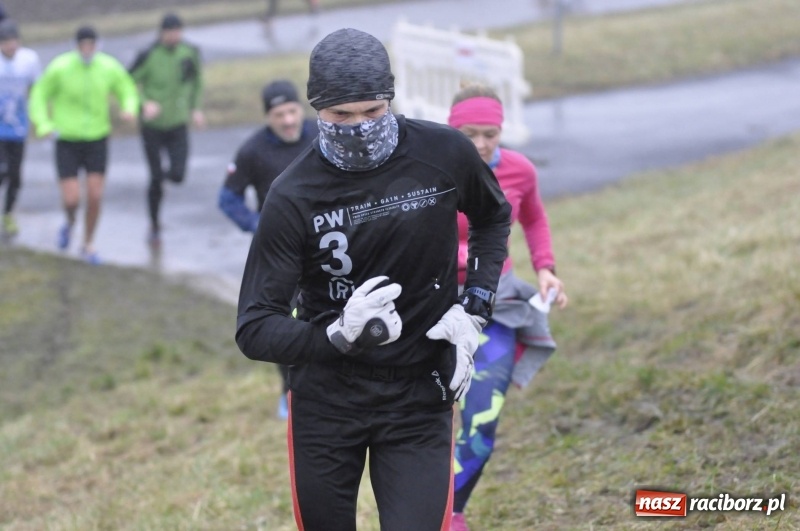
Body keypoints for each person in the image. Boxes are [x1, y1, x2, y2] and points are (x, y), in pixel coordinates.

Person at [236, 28, 511, 531]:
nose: (358, 127)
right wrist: (335, 335)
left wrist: (474, 311)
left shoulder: (444, 153)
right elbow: (254, 326)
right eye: (341, 116)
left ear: (391, 99)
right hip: (327, 403)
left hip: (419, 395)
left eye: (372, 112)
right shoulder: (292, 194)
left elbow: (494, 218)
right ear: (316, 109)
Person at [446, 84, 568, 531]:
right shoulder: (428, 170)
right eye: (469, 133)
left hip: (495, 307)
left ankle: (452, 513)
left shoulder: (519, 171)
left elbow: (534, 218)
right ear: (450, 128)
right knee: (426, 424)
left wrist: (546, 267)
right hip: (433, 310)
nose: (480, 144)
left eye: (490, 134)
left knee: (481, 421)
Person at [218, 79, 318, 419]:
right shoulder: (252, 151)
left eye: (292, 111)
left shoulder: (323, 133)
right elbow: (227, 198)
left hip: (327, 243)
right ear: (267, 117)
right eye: (279, 115)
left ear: (301, 109)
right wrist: (258, 226)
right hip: (281, 253)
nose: (288, 121)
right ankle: (287, 389)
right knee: (282, 321)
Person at [28, 25, 138, 264]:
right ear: (76, 46)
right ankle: (69, 223)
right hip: (66, 140)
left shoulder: (107, 66)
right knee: (71, 199)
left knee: (95, 196)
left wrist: (129, 108)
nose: (87, 49)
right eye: (83, 45)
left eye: (91, 44)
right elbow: (39, 95)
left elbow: (126, 88)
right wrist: (43, 123)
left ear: (97, 45)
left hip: (97, 139)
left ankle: (88, 243)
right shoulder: (61, 67)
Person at [129, 12, 205, 247]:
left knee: (178, 174)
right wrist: (143, 103)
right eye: (170, 32)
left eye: (177, 32)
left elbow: (197, 81)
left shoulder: (189, 52)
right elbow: (127, 82)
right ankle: (154, 225)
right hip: (152, 126)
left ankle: (163, 178)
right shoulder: (148, 54)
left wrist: (196, 108)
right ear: (161, 33)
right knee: (154, 178)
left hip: (178, 123)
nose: (174, 36)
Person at [0, 19, 40, 237]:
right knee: (2, 170)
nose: (10, 45)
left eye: (13, 40)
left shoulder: (29, 60)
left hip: (17, 127)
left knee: (15, 176)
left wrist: (38, 118)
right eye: (5, 42)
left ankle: (7, 214)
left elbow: (38, 89)